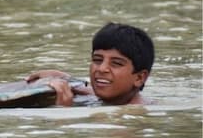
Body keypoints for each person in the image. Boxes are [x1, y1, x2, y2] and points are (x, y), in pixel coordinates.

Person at [26, 22, 155, 106]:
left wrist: (63, 112)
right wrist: (63, 78)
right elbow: (89, 91)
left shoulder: (133, 116)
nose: (102, 68)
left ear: (139, 78)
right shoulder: (115, 98)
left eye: (116, 63)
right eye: (97, 60)